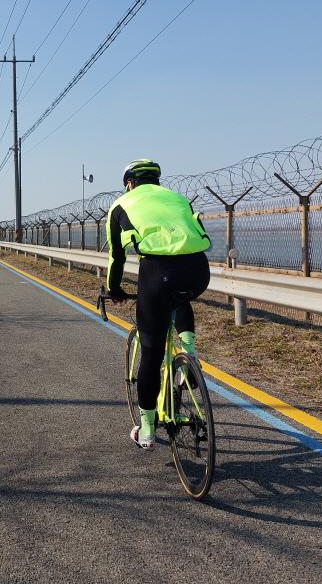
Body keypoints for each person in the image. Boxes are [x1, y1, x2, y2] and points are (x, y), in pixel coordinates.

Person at [105, 159, 211, 449]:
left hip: (158, 273)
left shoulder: (121, 205)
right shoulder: (178, 199)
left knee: (151, 351)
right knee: (180, 297)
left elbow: (116, 257)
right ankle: (189, 352)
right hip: (199, 270)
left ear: (129, 183)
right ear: (157, 181)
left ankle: (148, 429)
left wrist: (113, 289)